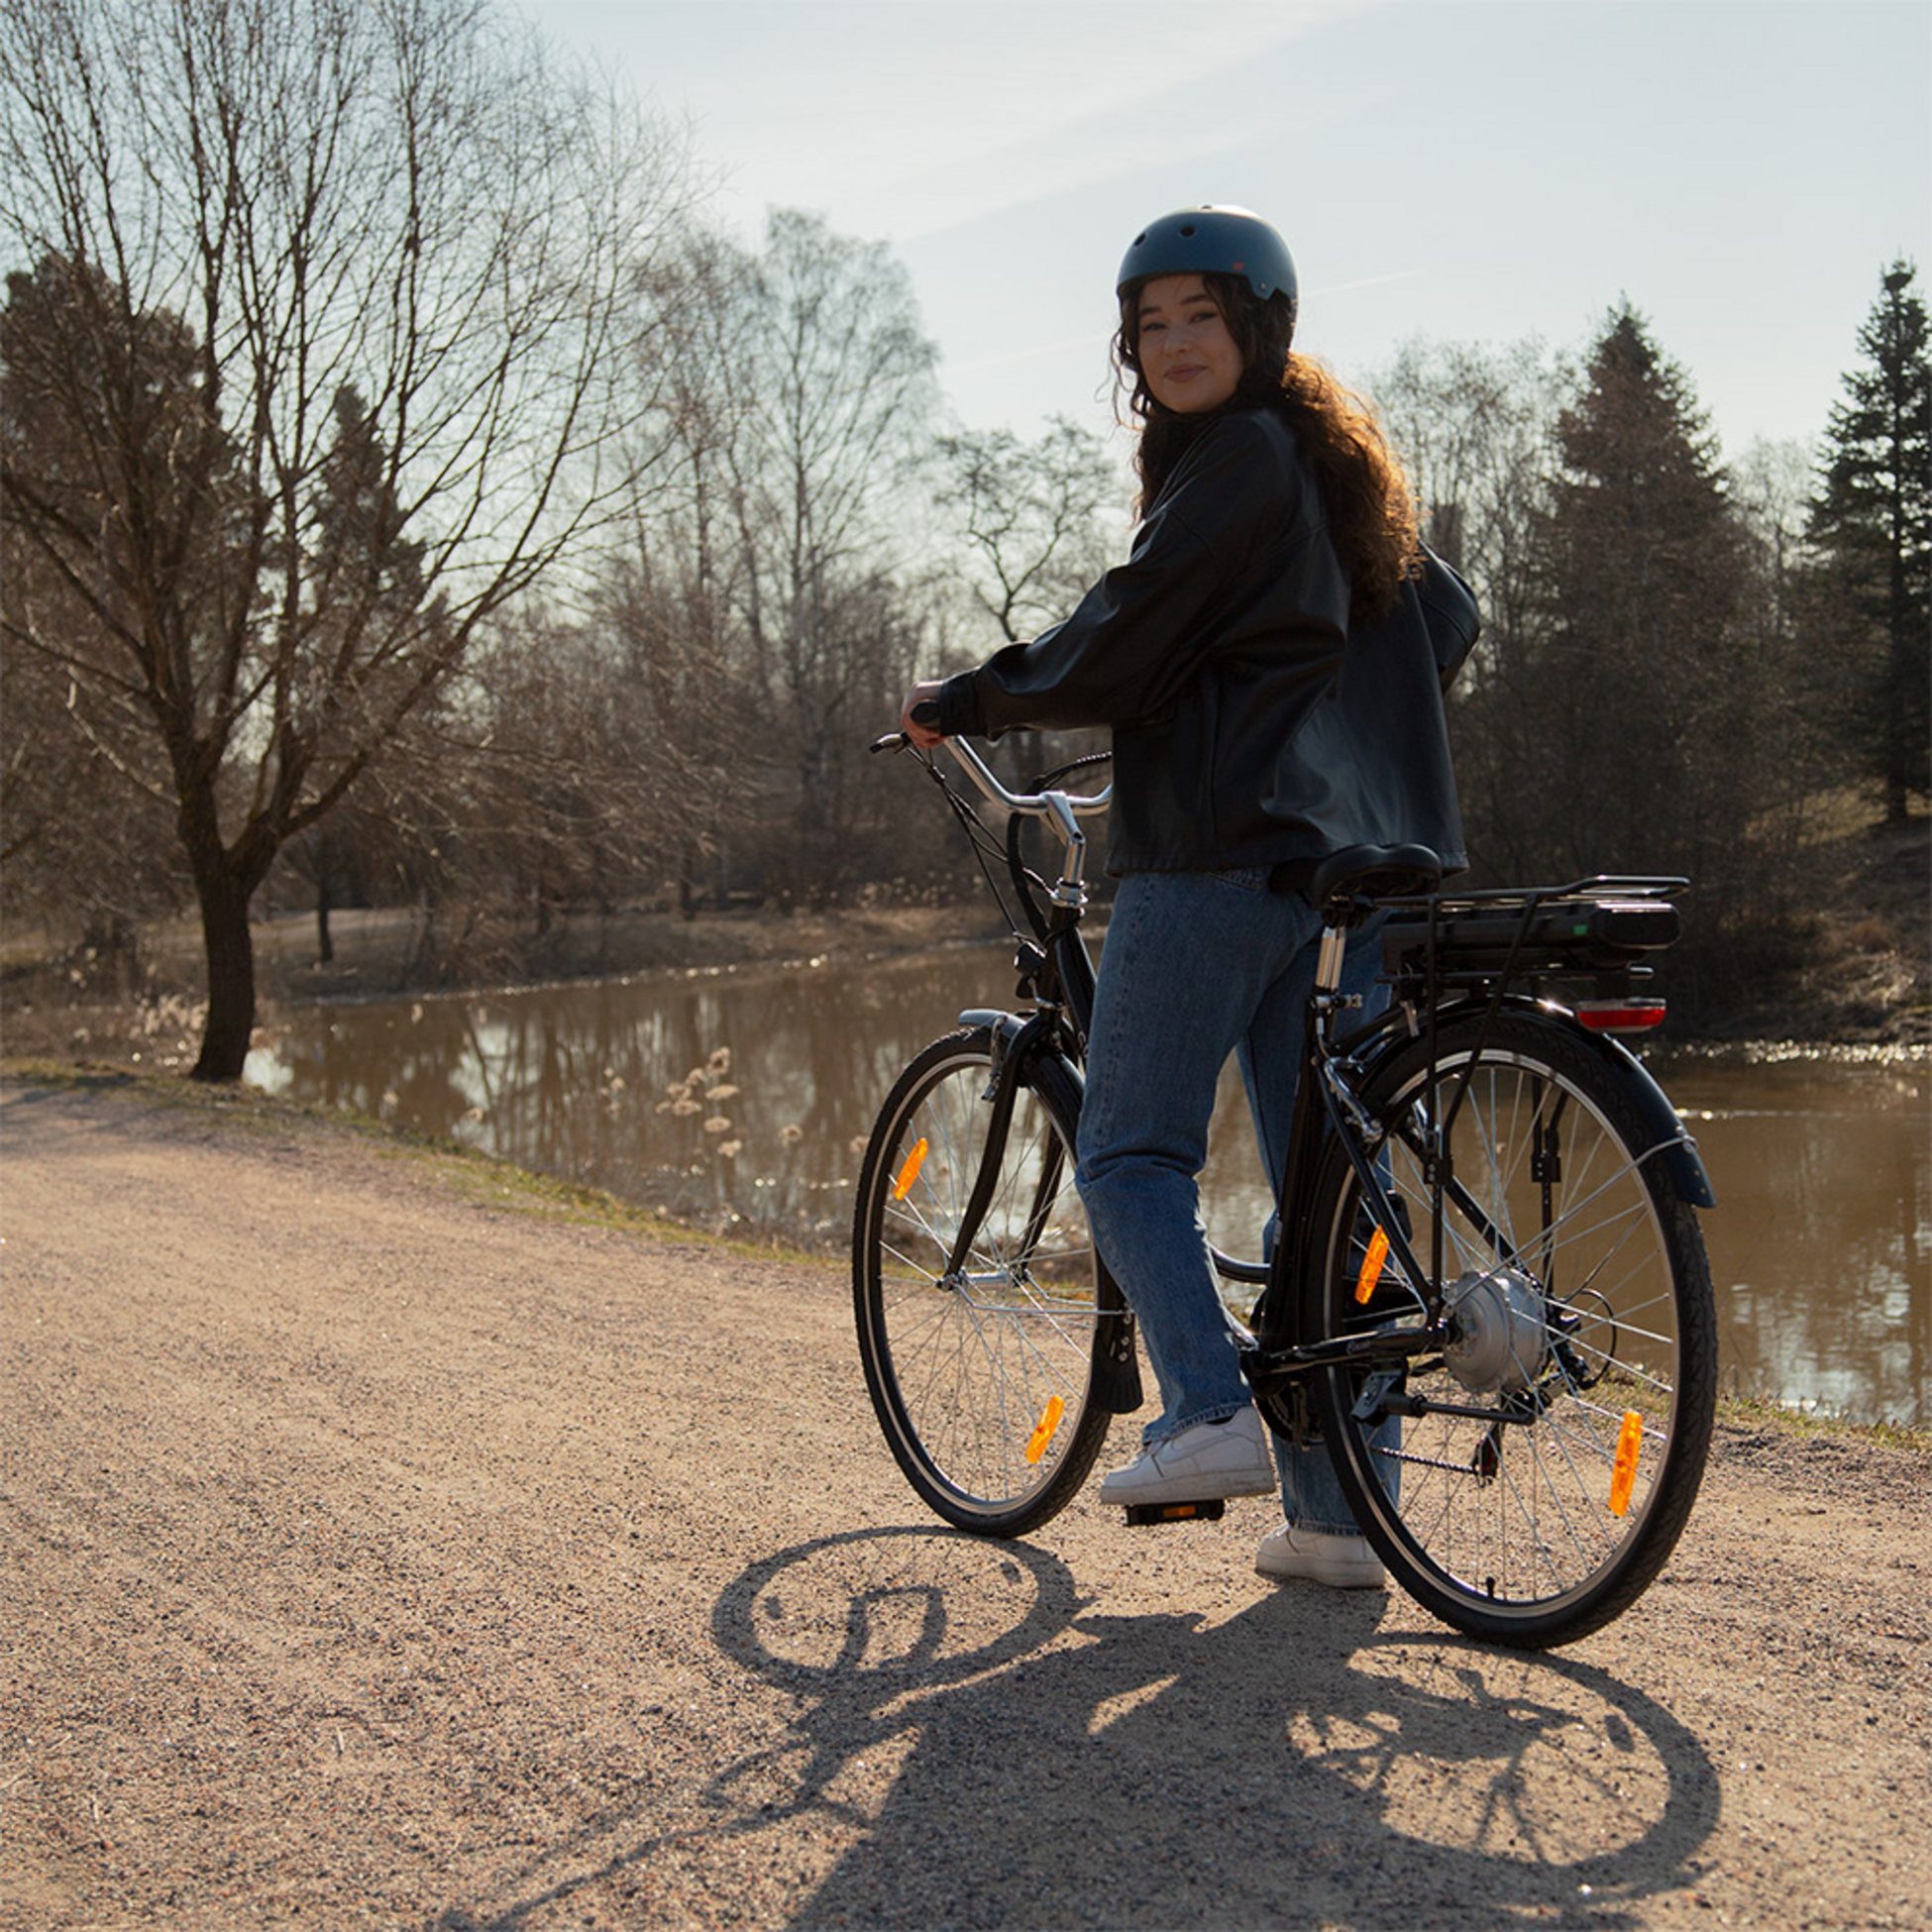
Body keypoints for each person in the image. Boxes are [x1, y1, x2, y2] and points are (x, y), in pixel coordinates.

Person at [900, 205, 1465, 1589]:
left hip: (1213, 852)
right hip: (1334, 868)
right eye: (1147, 324)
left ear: (1256, 325)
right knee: (1324, 1195)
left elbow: (1130, 621)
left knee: (1131, 1150)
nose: (1168, 344)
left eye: (1197, 316)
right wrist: (1296, 704)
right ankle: (1338, 1521)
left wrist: (966, 697)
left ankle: (1205, 1415)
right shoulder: (1330, 471)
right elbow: (1442, 618)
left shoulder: (1238, 460)